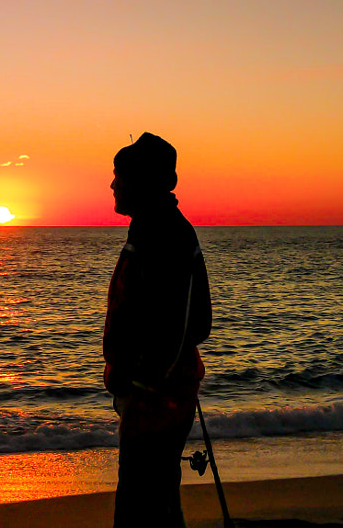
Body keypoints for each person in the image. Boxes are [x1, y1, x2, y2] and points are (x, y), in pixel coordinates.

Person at [104, 132, 212, 527]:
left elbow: (187, 322)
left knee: (140, 505)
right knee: (156, 499)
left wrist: (145, 385)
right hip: (153, 393)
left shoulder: (164, 233)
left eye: (120, 175)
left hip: (157, 397)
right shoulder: (152, 229)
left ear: (142, 181)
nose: (113, 184)